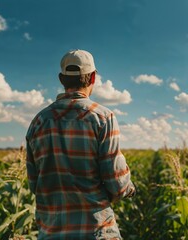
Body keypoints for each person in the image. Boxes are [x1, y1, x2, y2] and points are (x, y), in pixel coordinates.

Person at [26, 49, 135, 239]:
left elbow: (35, 184)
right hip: (96, 231)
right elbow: (116, 182)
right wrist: (129, 189)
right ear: (93, 77)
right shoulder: (103, 118)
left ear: (61, 79)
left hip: (52, 232)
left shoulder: (38, 122)